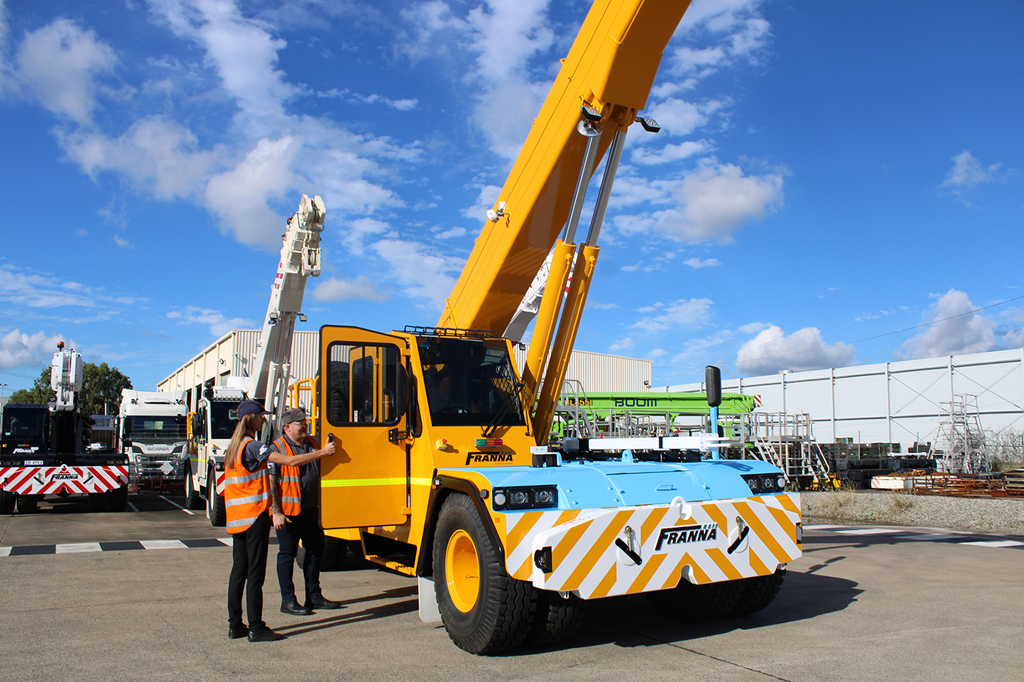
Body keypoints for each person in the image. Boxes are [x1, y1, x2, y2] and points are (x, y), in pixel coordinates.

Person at [225, 400, 334, 642]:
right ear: (250, 418)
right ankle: (256, 627)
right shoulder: (253, 446)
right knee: (255, 574)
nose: (263, 420)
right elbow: (290, 462)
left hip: (237, 518)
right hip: (253, 517)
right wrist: (324, 453)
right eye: (260, 416)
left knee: (238, 572)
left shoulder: (233, 448)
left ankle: (235, 625)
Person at [269, 407, 342, 615]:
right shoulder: (277, 447)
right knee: (287, 554)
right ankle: (288, 600)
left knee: (315, 551)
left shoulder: (313, 443)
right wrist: (276, 512)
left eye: (304, 422)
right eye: (299, 423)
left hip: (312, 510)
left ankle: (314, 596)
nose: (304, 425)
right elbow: (271, 482)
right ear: (287, 427)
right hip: (289, 513)